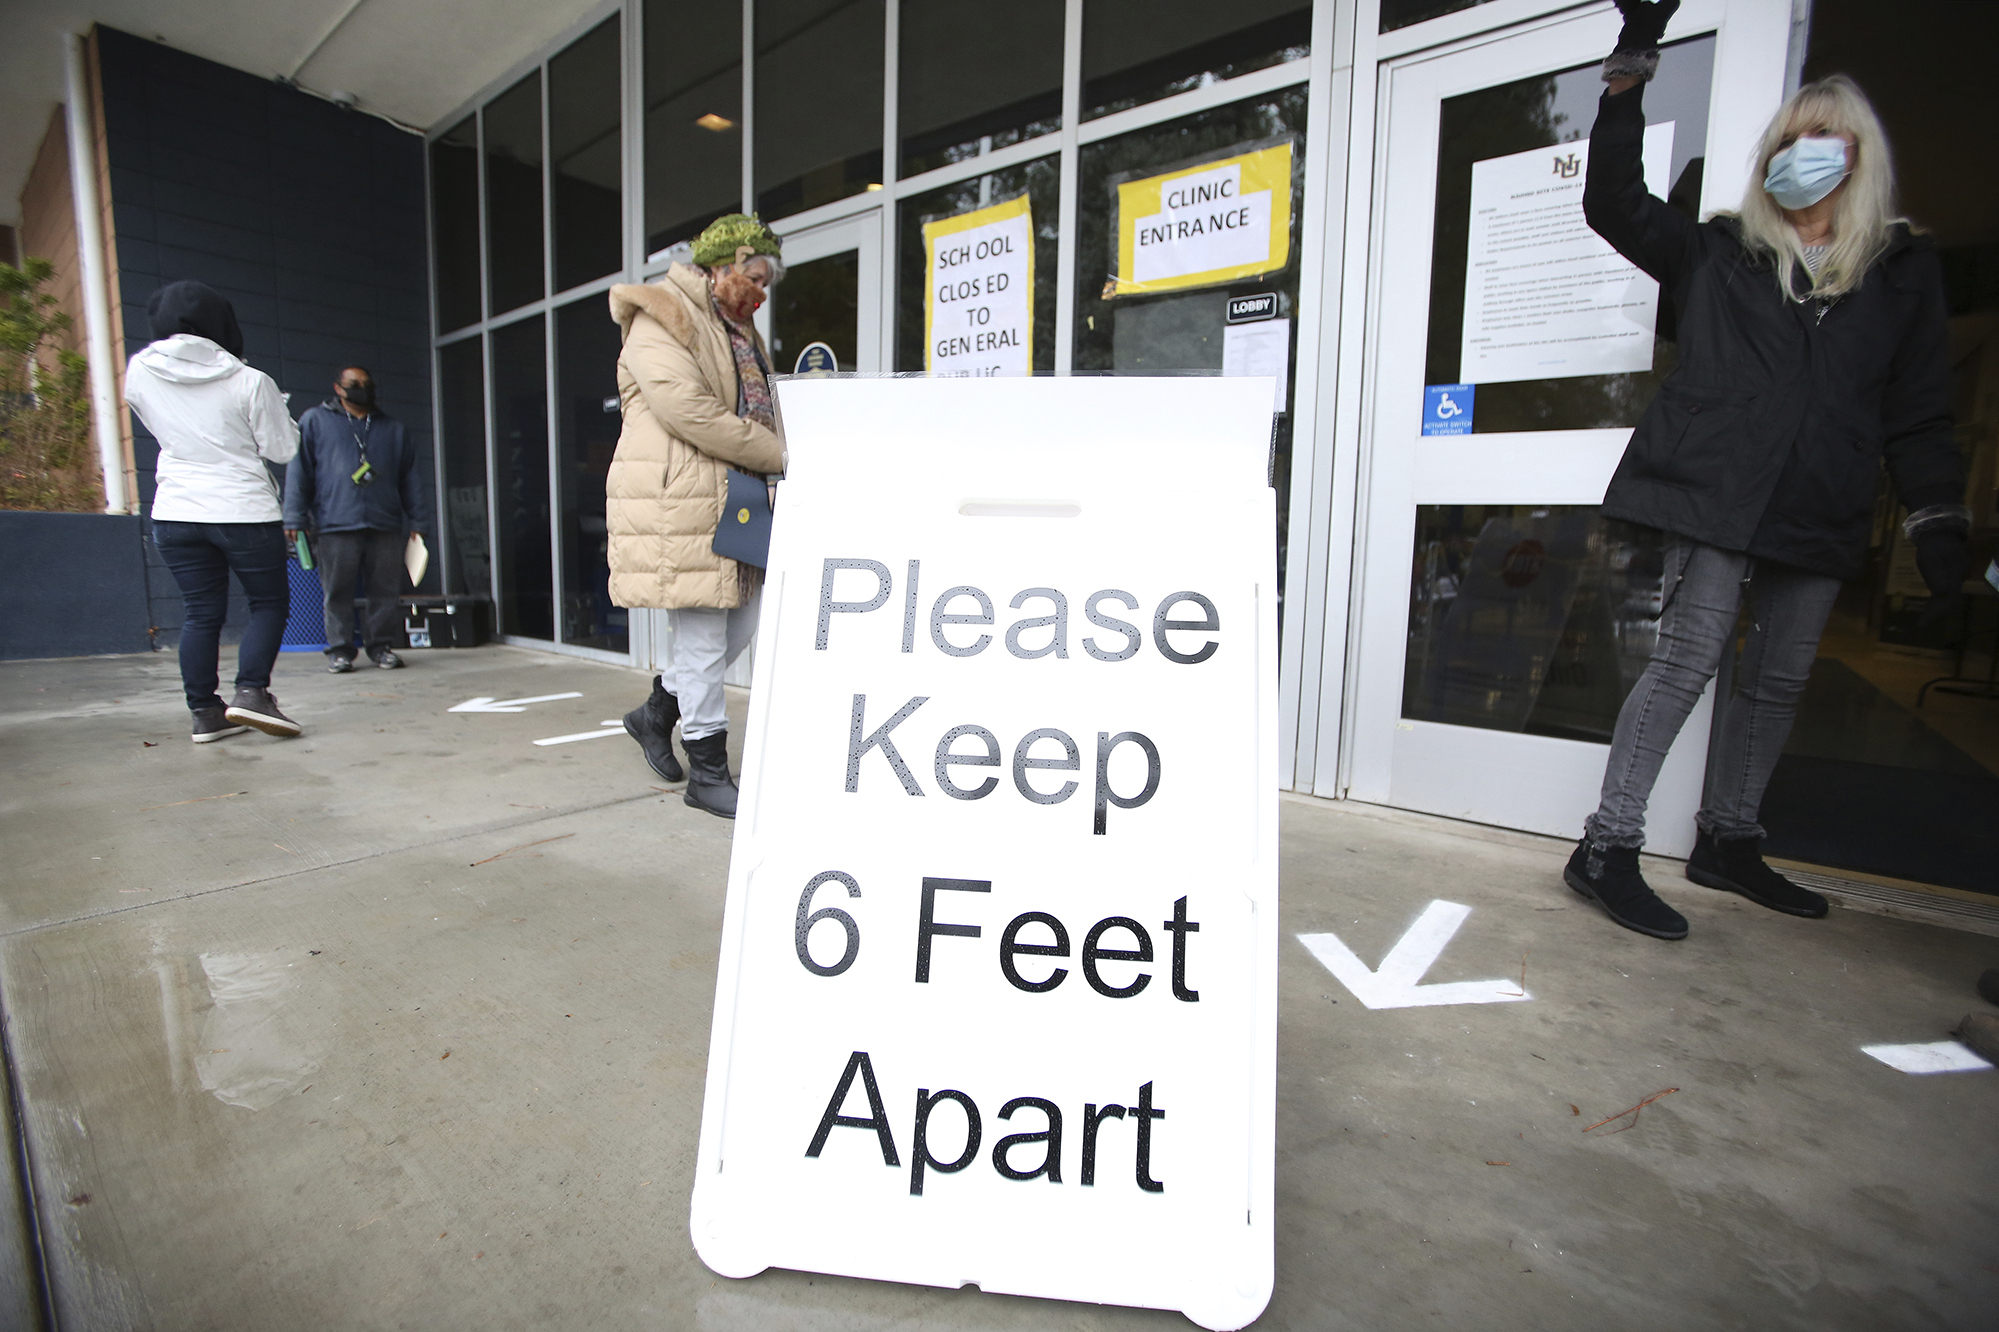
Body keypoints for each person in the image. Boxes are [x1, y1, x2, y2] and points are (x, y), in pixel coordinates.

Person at [1563, 0, 1969, 940]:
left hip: (1820, 498)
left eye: (1823, 137)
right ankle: (1605, 846)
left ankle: (1728, 840)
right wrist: (1628, 73)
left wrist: (1935, 514)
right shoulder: (1718, 252)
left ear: (1857, 156)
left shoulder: (1900, 272)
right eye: (1789, 138)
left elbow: (1915, 407)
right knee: (1684, 662)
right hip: (1715, 492)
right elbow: (1612, 206)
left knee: (1779, 679)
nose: (1802, 153)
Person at [605, 214, 786, 819]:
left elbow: (759, 407)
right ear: (720, 264)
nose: (759, 291)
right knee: (707, 636)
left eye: (766, 283)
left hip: (735, 495)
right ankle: (707, 772)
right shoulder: (663, 316)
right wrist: (785, 456)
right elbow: (691, 412)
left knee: (743, 624)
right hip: (682, 498)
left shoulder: (738, 328)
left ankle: (655, 713)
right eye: (753, 276)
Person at [125, 280, 303, 741]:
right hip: (242, 507)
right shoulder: (250, 381)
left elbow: (160, 425)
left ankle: (205, 712)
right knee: (268, 604)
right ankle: (252, 694)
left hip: (176, 509)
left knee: (201, 612)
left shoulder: (139, 372)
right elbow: (281, 449)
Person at [284, 366, 432, 671]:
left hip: (385, 523)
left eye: (366, 384)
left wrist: (419, 522)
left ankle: (381, 647)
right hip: (335, 522)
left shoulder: (393, 429)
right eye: (354, 384)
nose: (362, 389)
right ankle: (339, 650)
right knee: (337, 590)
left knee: (385, 592)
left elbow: (411, 480)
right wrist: (294, 518)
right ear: (338, 388)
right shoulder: (315, 421)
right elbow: (300, 472)